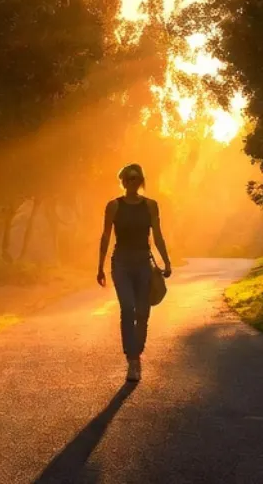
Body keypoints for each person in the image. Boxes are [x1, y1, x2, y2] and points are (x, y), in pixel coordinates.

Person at [96, 162, 171, 382]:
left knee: (143, 312)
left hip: (142, 262)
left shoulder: (150, 206)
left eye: (136, 178)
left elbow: (157, 235)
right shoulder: (114, 206)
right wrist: (99, 266)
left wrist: (166, 261)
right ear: (123, 181)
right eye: (128, 178)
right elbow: (105, 237)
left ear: (141, 181)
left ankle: (137, 351)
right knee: (128, 308)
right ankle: (133, 360)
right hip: (121, 263)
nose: (132, 181)